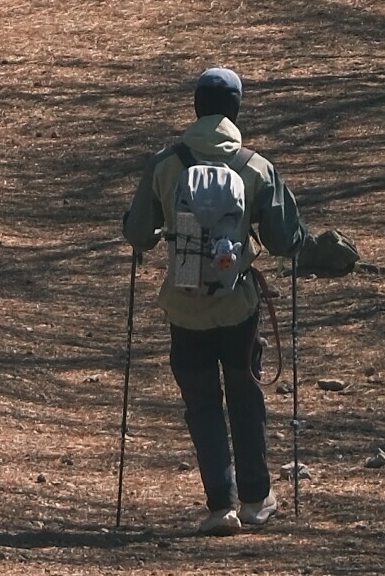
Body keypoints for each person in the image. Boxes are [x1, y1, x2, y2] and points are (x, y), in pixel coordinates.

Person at [121, 63, 308, 528]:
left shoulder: (166, 164)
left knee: (202, 403)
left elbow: (139, 234)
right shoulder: (256, 167)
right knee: (245, 398)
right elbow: (286, 240)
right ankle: (255, 499)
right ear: (235, 111)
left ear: (196, 108)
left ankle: (219, 505)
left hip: (184, 305)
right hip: (238, 304)